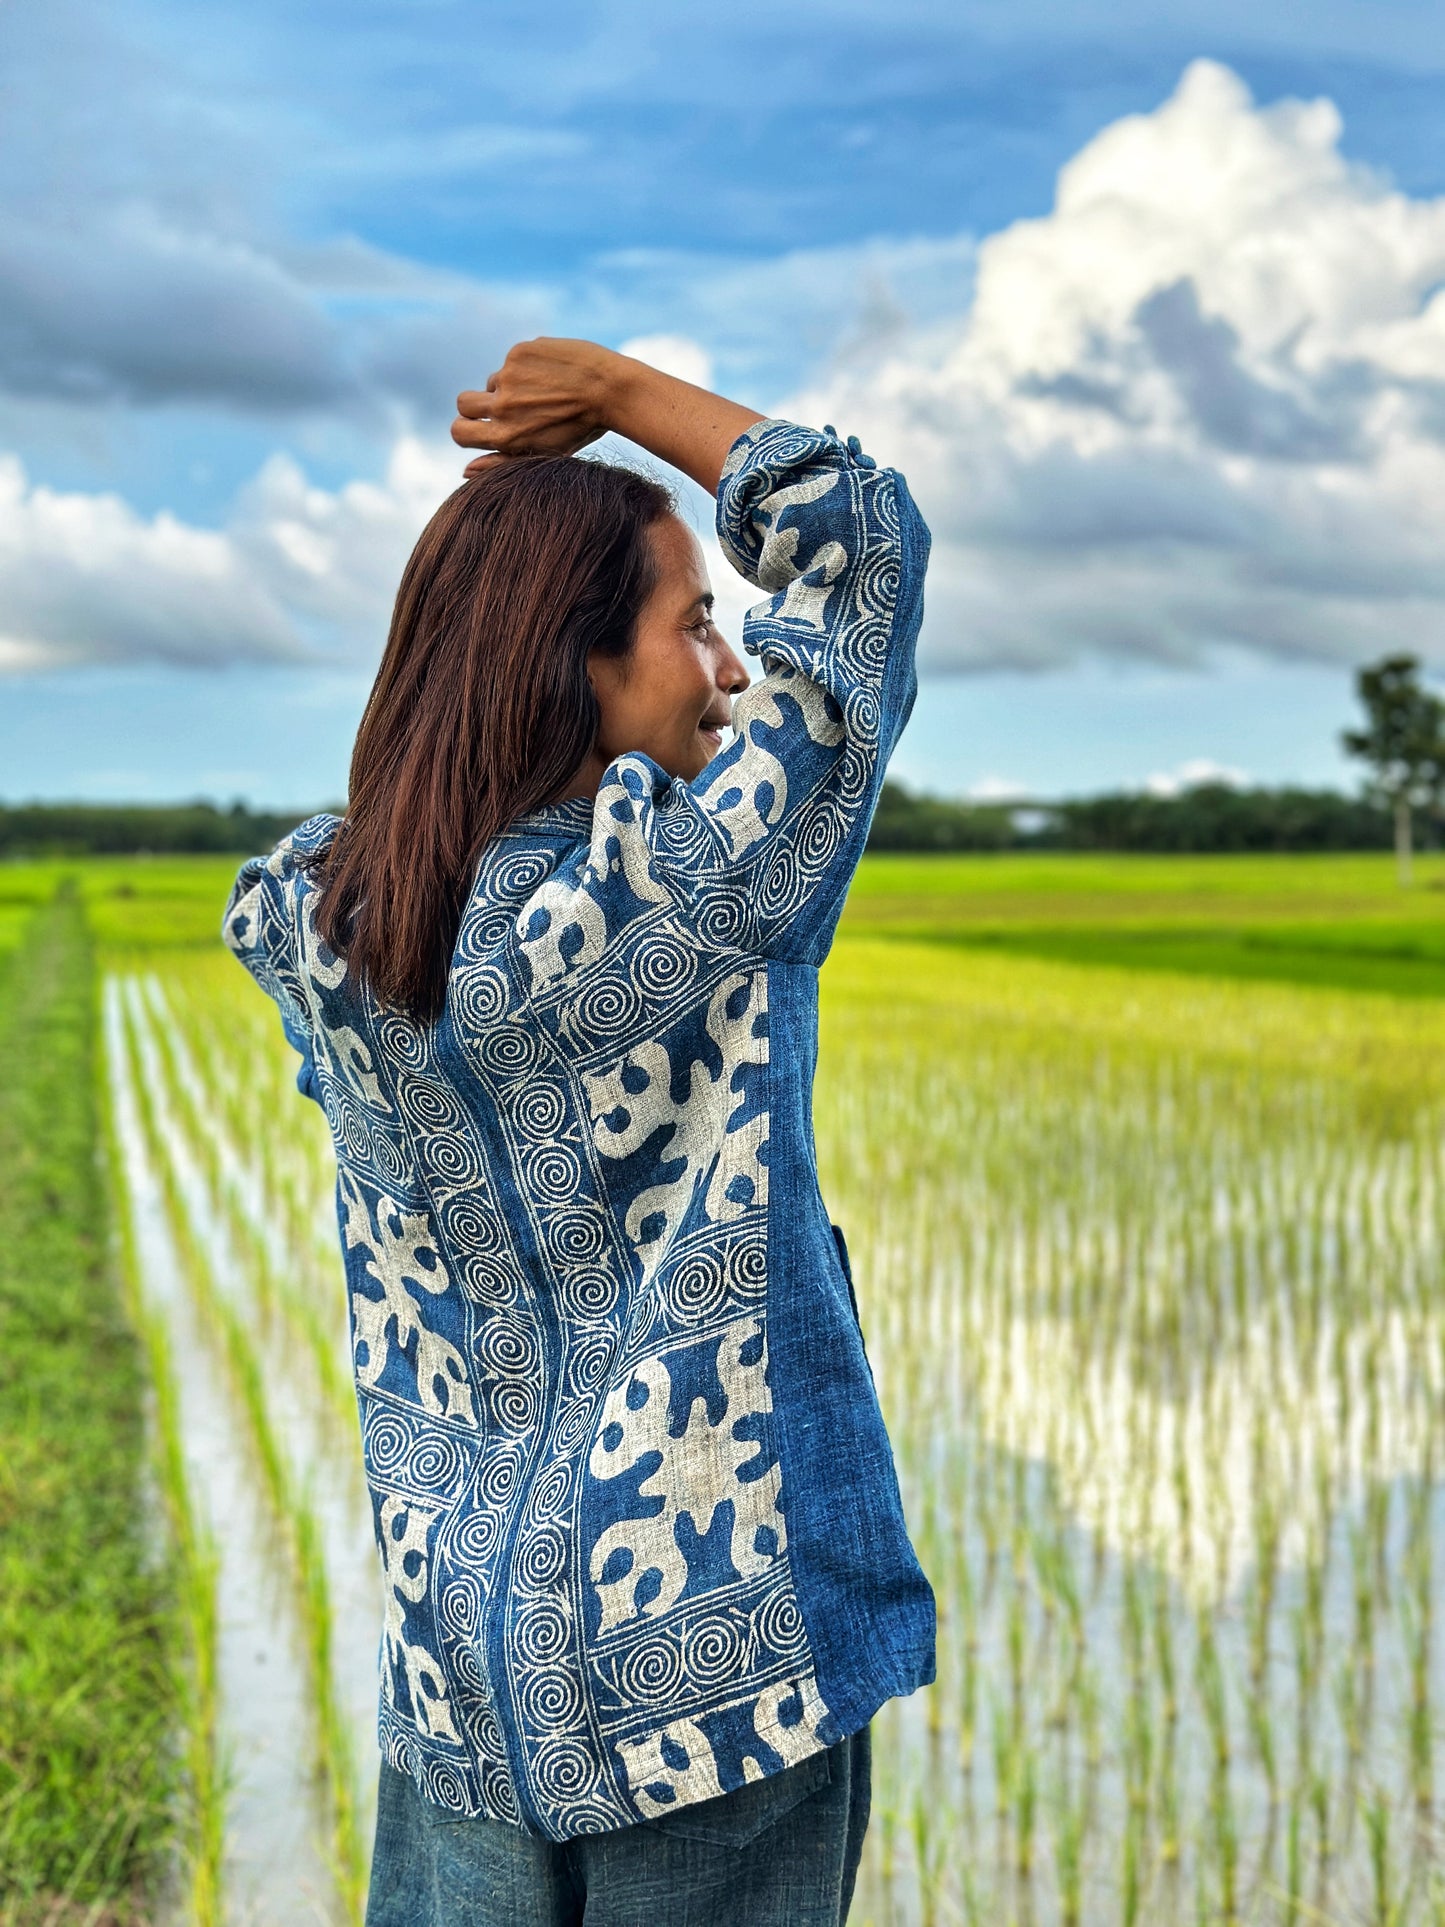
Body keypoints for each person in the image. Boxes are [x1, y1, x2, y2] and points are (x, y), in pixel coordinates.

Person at [223, 337, 936, 1927]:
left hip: (457, 1661)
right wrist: (618, 397)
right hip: (717, 1669)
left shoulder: (317, 928)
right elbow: (862, 538)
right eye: (692, 626)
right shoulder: (681, 890)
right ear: (576, 663)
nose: (729, 667)